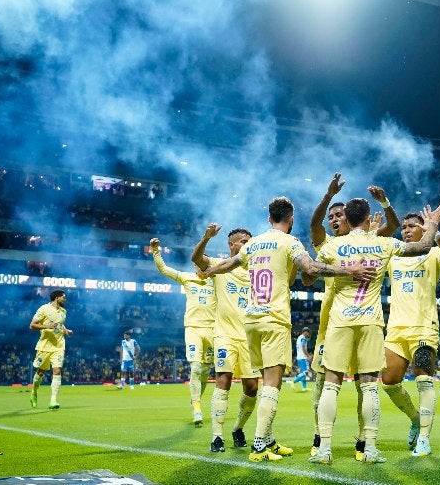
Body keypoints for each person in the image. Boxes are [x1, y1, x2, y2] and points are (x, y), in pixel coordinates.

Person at [201, 196, 376, 463]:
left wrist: (209, 271)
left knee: (263, 381)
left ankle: (268, 438)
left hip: (250, 320)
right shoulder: (290, 242)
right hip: (274, 319)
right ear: (290, 219)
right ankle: (259, 445)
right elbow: (311, 268)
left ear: (269, 218)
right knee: (272, 383)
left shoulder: (255, 242)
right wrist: (347, 269)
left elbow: (229, 264)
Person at [308, 199, 440, 465]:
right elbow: (421, 246)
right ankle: (369, 449)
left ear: (346, 219)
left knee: (331, 383)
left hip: (339, 321)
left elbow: (310, 272)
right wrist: (431, 225)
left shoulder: (333, 244)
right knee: (371, 385)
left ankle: (324, 448)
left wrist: (339, 270)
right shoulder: (384, 245)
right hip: (371, 321)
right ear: (367, 217)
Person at [305, 174, 400, 461]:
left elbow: (390, 227)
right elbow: (309, 277)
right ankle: (321, 437)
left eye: (338, 215)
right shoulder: (328, 248)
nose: (334, 220)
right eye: (331, 216)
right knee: (323, 384)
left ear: (348, 218)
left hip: (344, 320)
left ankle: (361, 442)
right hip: (330, 324)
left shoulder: (364, 241)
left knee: (360, 383)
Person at [382, 211, 440, 457]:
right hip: (395, 330)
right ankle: (416, 419)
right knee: (389, 382)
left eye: (412, 226)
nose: (405, 230)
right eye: (403, 227)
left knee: (423, 379)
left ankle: (424, 439)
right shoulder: (393, 257)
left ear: (423, 229)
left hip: (424, 328)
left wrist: (435, 233)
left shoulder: (432, 254)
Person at [191, 224, 260, 454]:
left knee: (252, 387)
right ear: (232, 245)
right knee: (224, 379)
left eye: (250, 240)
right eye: (243, 240)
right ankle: (217, 437)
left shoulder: (256, 270)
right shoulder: (218, 266)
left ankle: (238, 428)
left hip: (249, 337)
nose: (248, 243)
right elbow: (196, 258)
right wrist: (206, 237)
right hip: (224, 334)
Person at [150, 237, 216, 427]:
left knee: (205, 371)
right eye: (198, 263)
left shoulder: (217, 280)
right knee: (195, 368)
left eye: (204, 263)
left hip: (212, 329)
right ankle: (197, 408)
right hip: (193, 327)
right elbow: (164, 270)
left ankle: (196, 399)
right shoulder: (187, 278)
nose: (200, 266)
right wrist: (156, 251)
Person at [29, 289, 73, 409]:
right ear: (56, 298)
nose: (65, 299)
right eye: (63, 297)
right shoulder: (43, 309)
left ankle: (53, 401)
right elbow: (32, 325)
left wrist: (66, 331)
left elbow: (59, 325)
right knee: (41, 372)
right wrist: (47, 326)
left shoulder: (64, 311)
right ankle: (34, 391)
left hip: (59, 346)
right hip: (45, 346)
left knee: (57, 371)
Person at [291, 327, 312, 391]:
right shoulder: (303, 338)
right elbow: (304, 348)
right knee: (306, 372)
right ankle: (293, 381)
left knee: (304, 373)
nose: (309, 335)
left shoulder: (299, 337)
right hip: (303, 358)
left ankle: (304, 387)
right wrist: (308, 356)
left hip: (299, 357)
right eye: (308, 333)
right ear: (306, 332)